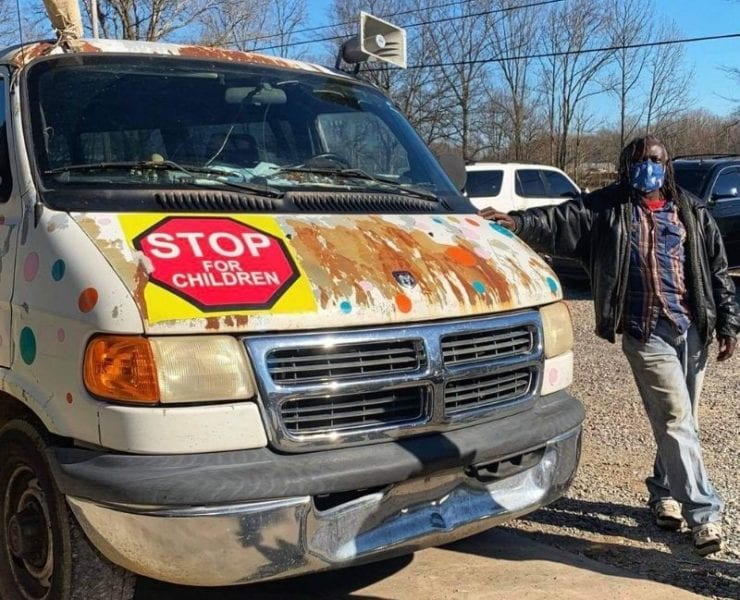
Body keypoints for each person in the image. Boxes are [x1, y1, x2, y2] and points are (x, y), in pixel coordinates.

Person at [480, 135, 739, 556]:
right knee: (676, 419)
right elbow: (559, 219)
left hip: (691, 329)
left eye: (655, 159)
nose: (647, 167)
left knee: (680, 419)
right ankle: (704, 515)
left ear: (667, 164)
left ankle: (663, 493)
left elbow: (717, 269)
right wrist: (517, 222)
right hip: (645, 332)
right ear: (625, 166)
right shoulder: (608, 208)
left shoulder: (690, 210)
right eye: (638, 160)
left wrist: (728, 322)